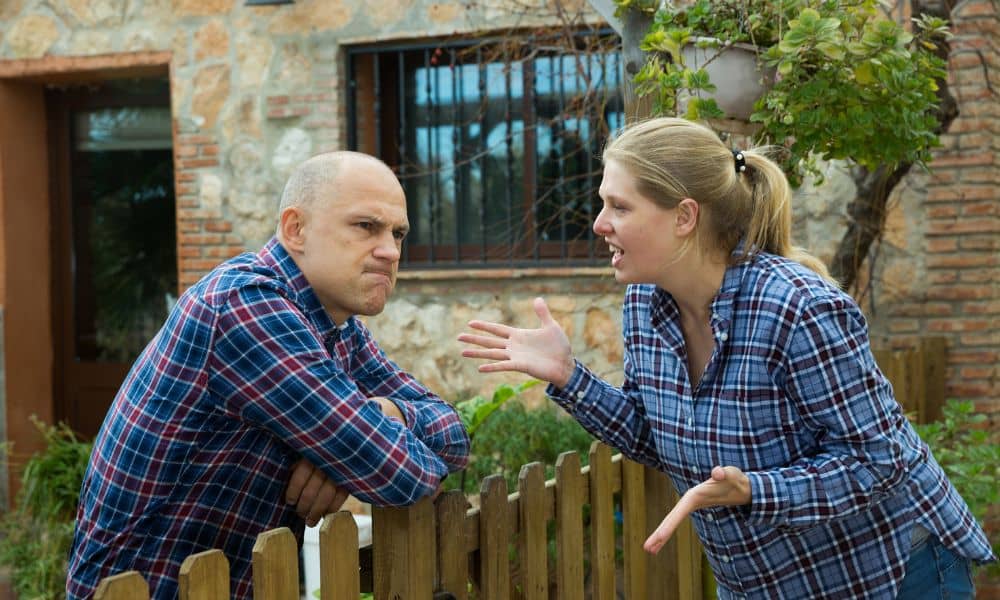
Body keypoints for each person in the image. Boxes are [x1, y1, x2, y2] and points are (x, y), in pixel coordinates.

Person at [459, 117, 995, 599]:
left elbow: (878, 461)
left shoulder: (797, 309)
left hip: (891, 572)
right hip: (765, 583)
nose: (599, 223)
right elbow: (656, 434)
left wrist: (753, 490)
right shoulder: (645, 305)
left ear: (685, 217)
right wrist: (569, 378)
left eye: (619, 206)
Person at [67, 151, 470, 599]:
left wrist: (384, 414)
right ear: (295, 229)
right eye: (365, 227)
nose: (390, 251)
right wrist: (357, 453)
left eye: (398, 234)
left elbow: (455, 433)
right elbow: (402, 475)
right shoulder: (245, 305)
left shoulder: (340, 330)